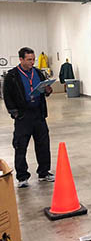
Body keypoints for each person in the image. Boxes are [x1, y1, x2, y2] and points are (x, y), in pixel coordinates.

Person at [2, 47, 55, 188]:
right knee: (20, 146)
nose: (32, 62)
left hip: (38, 114)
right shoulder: (12, 76)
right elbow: (7, 96)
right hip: (23, 116)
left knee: (43, 144)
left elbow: (45, 91)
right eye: (29, 60)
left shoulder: (38, 73)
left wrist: (48, 90)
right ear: (21, 59)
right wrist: (15, 113)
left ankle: (44, 172)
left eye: (33, 59)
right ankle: (22, 177)